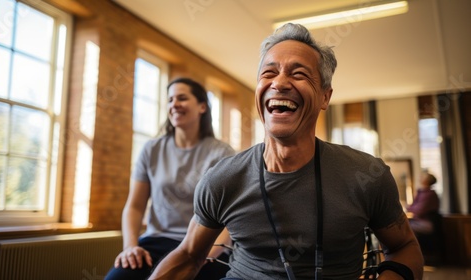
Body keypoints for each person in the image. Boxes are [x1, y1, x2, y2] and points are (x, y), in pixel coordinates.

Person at [148, 23, 424, 280]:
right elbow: (188, 255)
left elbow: (405, 248)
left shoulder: (367, 175)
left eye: (299, 73)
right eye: (268, 73)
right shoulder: (222, 178)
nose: (279, 83)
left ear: (325, 96)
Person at [105, 77, 235, 280]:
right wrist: (130, 247)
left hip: (205, 244)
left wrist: (206, 256)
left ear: (202, 107)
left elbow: (231, 216)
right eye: (170, 99)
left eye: (182, 98)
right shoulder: (152, 149)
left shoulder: (221, 153)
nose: (174, 104)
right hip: (157, 242)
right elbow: (135, 206)